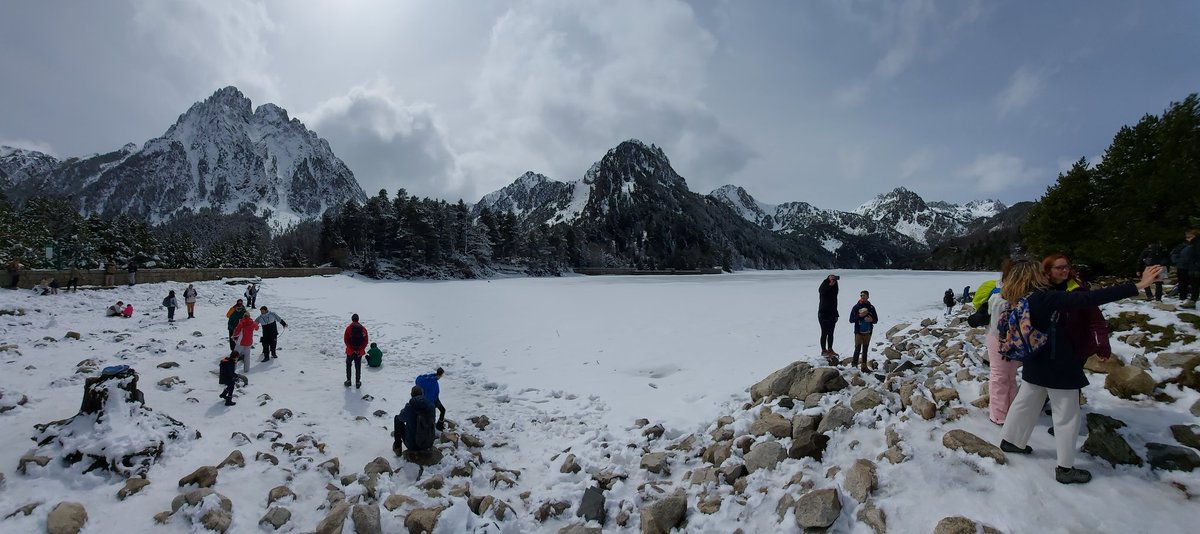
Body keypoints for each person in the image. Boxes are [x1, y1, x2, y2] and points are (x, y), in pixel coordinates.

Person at [998, 260, 1163, 485]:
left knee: (1025, 403)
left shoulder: (1018, 298)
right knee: (1067, 415)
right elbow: (1089, 298)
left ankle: (1011, 441)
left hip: (1034, 360)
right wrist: (1138, 285)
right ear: (1032, 276)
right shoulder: (1045, 298)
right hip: (1059, 363)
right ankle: (1065, 468)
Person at [985, 261, 1019, 425]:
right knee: (1001, 375)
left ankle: (1010, 410)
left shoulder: (1017, 297)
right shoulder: (999, 297)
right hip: (998, 338)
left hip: (1008, 339)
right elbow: (992, 320)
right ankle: (999, 415)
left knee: (1009, 375)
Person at [393, 385, 436, 456]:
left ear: (411, 395)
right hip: (429, 443)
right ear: (423, 394)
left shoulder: (409, 407)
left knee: (397, 418)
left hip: (413, 445)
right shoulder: (431, 406)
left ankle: (397, 448)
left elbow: (401, 417)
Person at [848, 291, 878, 372]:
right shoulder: (856, 307)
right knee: (857, 349)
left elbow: (876, 320)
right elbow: (851, 320)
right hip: (858, 332)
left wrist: (871, 320)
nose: (862, 297)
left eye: (864, 295)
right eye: (861, 295)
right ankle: (854, 366)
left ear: (868, 297)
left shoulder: (871, 307)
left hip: (868, 332)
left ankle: (864, 367)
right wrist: (859, 315)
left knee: (865, 350)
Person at [818, 274, 840, 362]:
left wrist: (836, 314)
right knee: (824, 332)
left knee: (831, 333)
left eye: (834, 280)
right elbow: (821, 291)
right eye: (832, 279)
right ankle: (824, 350)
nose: (833, 281)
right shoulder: (824, 286)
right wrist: (829, 284)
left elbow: (835, 303)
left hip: (832, 313)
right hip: (823, 313)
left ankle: (830, 349)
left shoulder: (834, 289)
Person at [1175, 229, 1199, 309]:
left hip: (1194, 267)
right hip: (1188, 267)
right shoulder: (1188, 245)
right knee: (1191, 285)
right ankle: (1190, 300)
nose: (1187, 239)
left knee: (1195, 285)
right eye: (1187, 237)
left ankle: (1192, 301)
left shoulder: (1196, 244)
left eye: (1189, 237)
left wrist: (1196, 264)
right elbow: (1175, 253)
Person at [344, 314, 369, 388]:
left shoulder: (348, 328)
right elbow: (366, 341)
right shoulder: (363, 329)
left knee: (349, 365)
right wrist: (360, 350)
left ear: (352, 319)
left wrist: (351, 349)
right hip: (359, 352)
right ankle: (358, 382)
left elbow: (346, 340)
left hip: (350, 352)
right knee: (358, 367)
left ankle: (348, 381)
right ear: (358, 319)